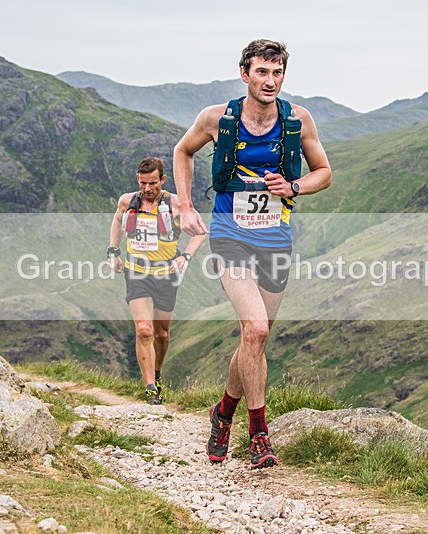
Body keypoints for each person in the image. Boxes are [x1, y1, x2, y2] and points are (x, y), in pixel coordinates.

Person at [173, 40, 332, 468]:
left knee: (255, 340)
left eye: (277, 72)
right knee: (256, 329)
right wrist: (186, 205)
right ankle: (259, 434)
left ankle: (223, 412)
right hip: (230, 234)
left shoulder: (297, 120)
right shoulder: (217, 119)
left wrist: (294, 186)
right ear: (245, 73)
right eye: (262, 72)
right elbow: (183, 151)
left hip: (275, 238)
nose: (270, 81)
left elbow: (324, 173)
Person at [108, 157, 206, 405]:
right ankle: (150, 387)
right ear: (137, 180)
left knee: (161, 334)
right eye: (143, 183)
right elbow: (118, 220)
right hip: (136, 273)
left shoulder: (175, 204)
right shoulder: (127, 201)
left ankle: (158, 372)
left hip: (166, 275)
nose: (148, 189)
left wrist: (186, 255)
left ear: (163, 180)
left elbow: (202, 232)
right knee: (144, 330)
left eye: (153, 183)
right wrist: (113, 251)